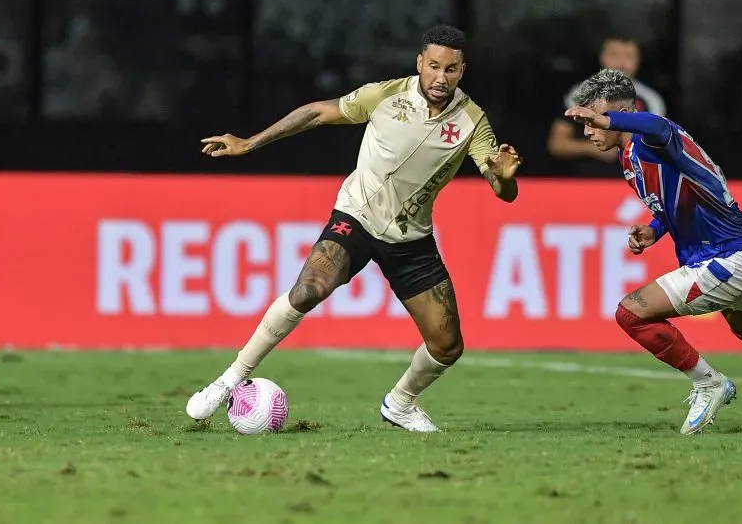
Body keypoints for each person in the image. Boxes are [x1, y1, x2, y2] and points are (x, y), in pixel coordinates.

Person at [185, 25, 522, 432]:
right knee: (310, 288)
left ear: (462, 71)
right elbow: (315, 113)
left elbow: (501, 189)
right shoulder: (385, 95)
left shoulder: (472, 121)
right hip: (356, 218)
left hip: (410, 240)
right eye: (433, 66)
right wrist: (249, 144)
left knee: (448, 346)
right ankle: (229, 380)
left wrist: (504, 177)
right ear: (420, 63)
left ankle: (400, 404)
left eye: (450, 69)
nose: (440, 77)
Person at [564, 69, 742, 435]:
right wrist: (653, 230)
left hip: (728, 257)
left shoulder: (654, 138)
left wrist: (610, 119)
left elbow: (658, 125)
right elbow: (675, 201)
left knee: (632, 314)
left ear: (625, 111)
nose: (588, 130)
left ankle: (708, 382)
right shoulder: (628, 156)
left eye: (595, 119)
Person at [547, 36, 666, 175]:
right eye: (614, 55)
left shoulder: (651, 100)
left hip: (634, 186)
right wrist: (593, 149)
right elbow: (557, 144)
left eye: (629, 56)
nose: (622, 63)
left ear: (638, 60)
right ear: (602, 57)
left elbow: (661, 149)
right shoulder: (580, 95)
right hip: (584, 181)